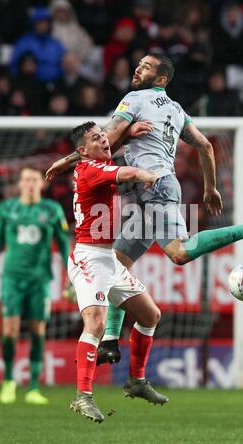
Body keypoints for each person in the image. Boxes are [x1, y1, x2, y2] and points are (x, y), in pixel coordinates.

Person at [46, 52, 243, 366]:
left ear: (162, 78)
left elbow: (107, 139)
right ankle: (111, 341)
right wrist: (210, 188)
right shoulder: (177, 110)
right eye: (138, 63)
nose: (138, 67)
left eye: (146, 66)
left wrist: (69, 159)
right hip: (146, 190)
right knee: (115, 266)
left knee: (178, 253)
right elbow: (206, 147)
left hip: (156, 186)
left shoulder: (135, 99)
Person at [67, 121, 169, 423]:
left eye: (103, 135)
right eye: (96, 139)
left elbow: (116, 152)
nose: (104, 140)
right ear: (83, 151)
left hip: (109, 258)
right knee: (95, 324)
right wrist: (148, 174)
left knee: (150, 315)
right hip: (89, 258)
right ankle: (82, 397)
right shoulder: (90, 170)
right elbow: (128, 173)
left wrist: (128, 132)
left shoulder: (97, 161)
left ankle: (136, 381)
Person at [0, 167, 70, 404]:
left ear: (42, 184)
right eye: (25, 179)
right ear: (19, 184)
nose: (29, 183)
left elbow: (64, 244)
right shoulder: (8, 209)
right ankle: (8, 381)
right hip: (12, 279)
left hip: (40, 280)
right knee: (9, 332)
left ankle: (34, 387)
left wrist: (72, 276)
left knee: (38, 331)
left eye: (33, 179)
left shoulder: (51, 210)